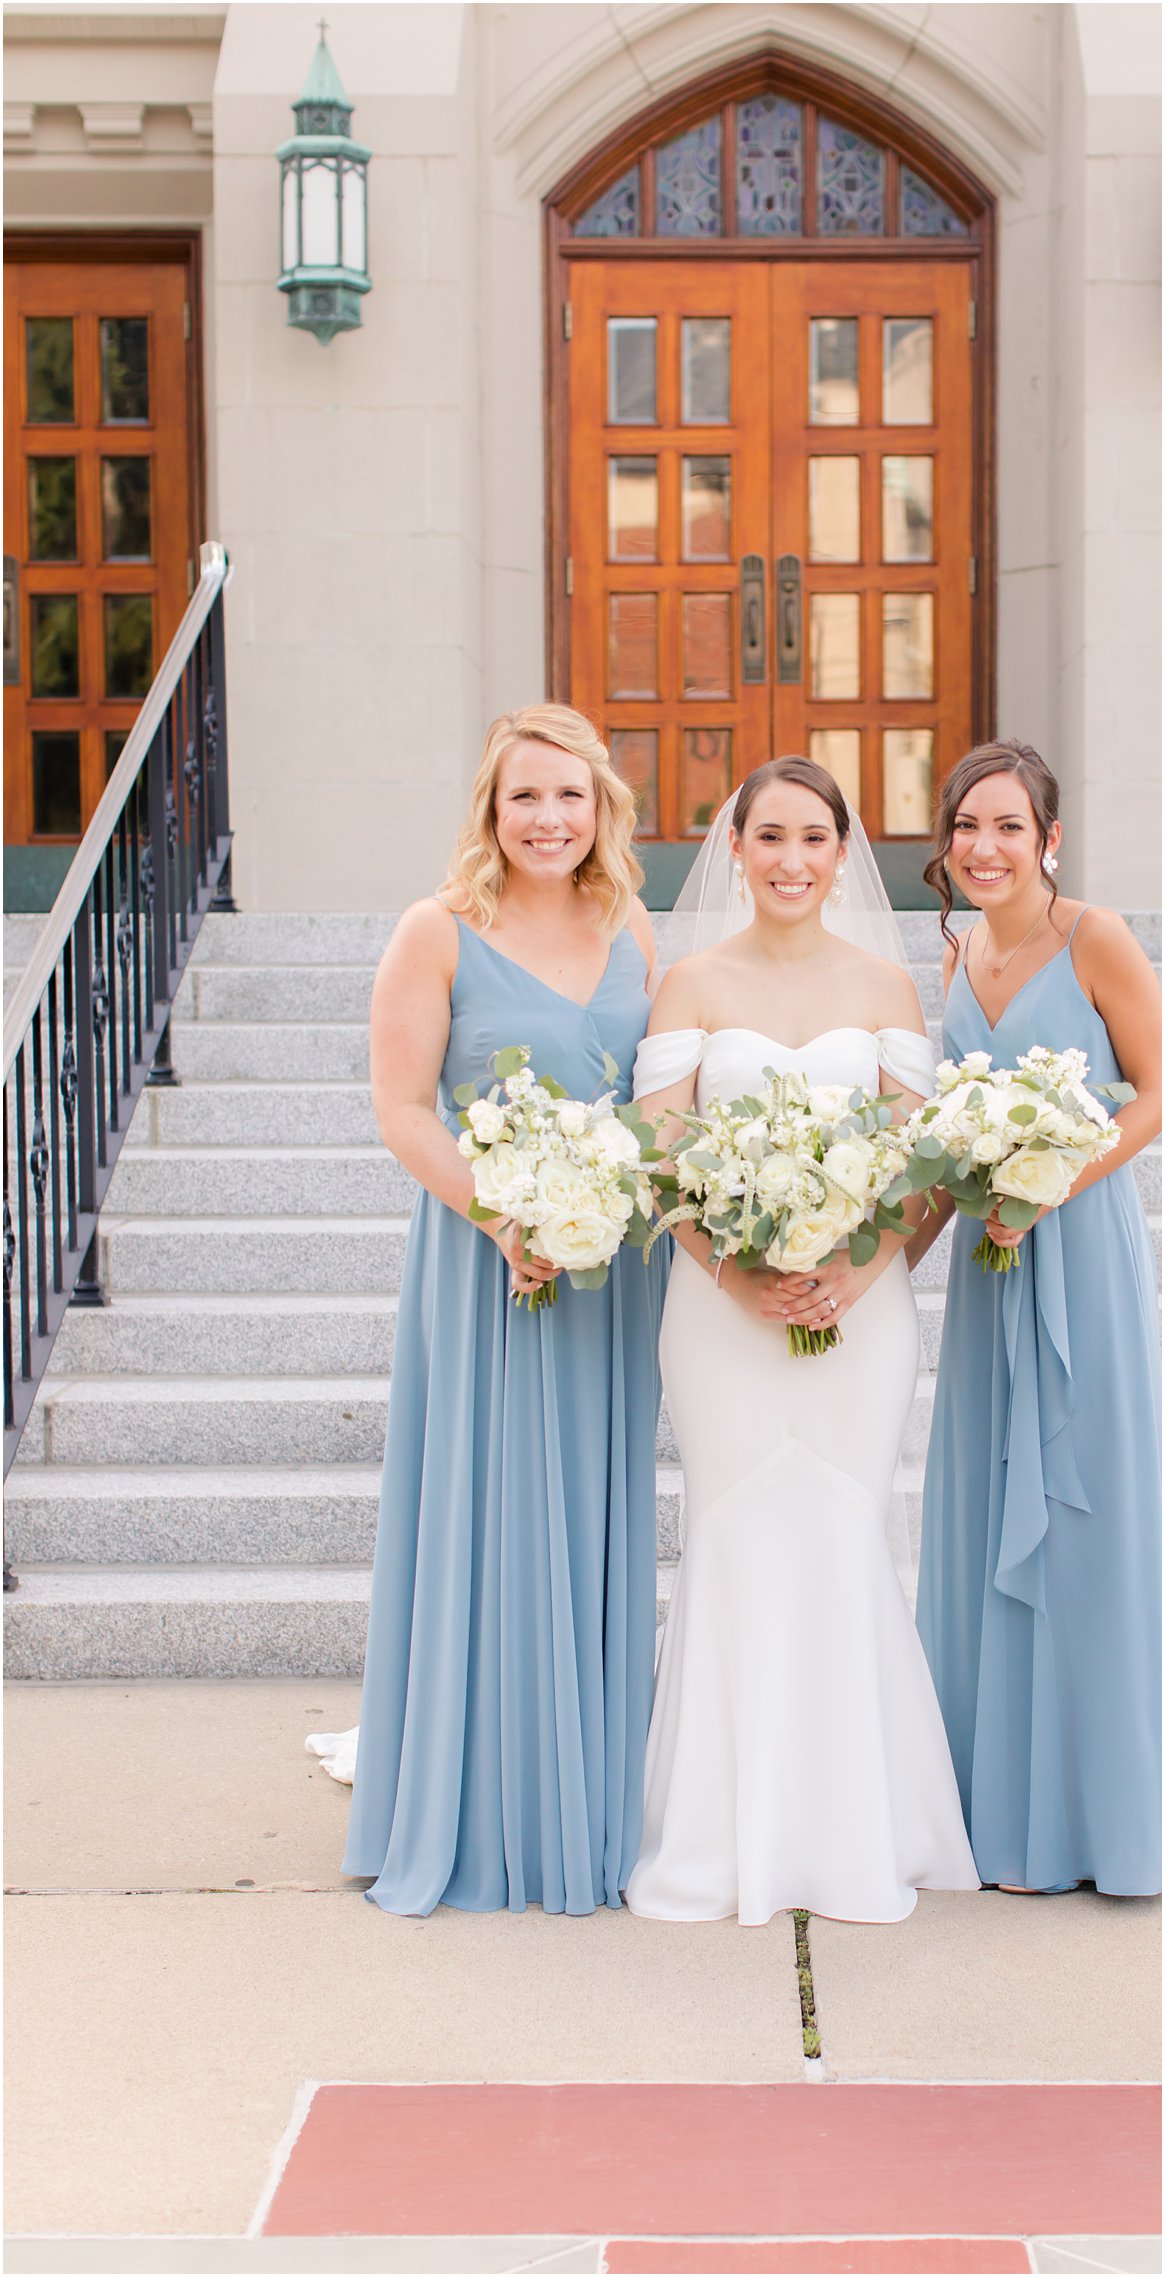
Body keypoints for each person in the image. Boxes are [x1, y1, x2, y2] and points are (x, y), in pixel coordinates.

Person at [307, 705, 665, 1916]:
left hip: (609, 1270)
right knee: (490, 1504)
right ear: (490, 809)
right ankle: (481, 1804)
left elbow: (661, 1101)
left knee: (587, 1514)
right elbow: (403, 1106)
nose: (548, 820)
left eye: (569, 797)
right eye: (525, 798)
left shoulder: (632, 929)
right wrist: (502, 1215)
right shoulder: (439, 932)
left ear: (600, 807)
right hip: (490, 1263)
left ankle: (585, 1794)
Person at [624, 756, 979, 1926]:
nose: (788, 861)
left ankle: (854, 1832)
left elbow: (921, 1166)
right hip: (720, 1314)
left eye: (811, 839)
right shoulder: (687, 984)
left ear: (841, 852)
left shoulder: (885, 983)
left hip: (858, 1309)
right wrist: (740, 1277)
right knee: (735, 1532)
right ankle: (723, 1834)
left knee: (839, 1526)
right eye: (766, 837)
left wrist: (848, 1269)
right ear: (735, 849)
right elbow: (661, 1158)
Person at [908, 739, 1162, 1897]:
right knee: (988, 1520)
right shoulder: (955, 955)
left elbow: (1157, 1091)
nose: (984, 848)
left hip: (1075, 1251)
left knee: (1083, 1522)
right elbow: (944, 1139)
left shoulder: (1095, 938)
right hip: (991, 1269)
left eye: (1007, 828)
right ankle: (996, 1816)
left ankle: (1100, 1824)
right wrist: (890, 1255)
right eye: (965, 828)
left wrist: (1050, 1182)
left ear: (1048, 839)